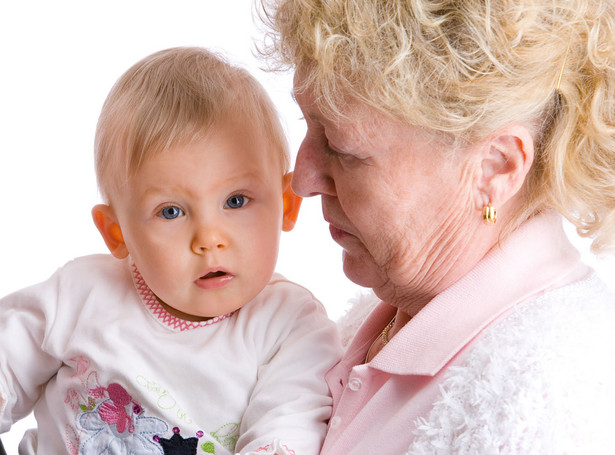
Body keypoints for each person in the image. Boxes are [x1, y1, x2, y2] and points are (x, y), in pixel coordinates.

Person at [259, 0, 615, 453]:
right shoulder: (387, 313)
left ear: (494, 167)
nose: (302, 178)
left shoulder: (550, 405)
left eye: (342, 148)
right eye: (307, 126)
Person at [0, 46, 342, 455]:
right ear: (117, 233)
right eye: (171, 211)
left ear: (286, 205)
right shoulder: (78, 294)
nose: (209, 238)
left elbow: (287, 432)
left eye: (236, 201)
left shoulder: (291, 328)